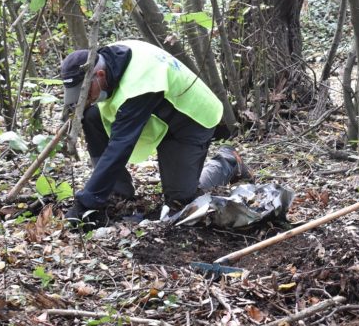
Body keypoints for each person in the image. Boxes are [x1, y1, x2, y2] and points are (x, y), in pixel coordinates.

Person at [60, 39, 252, 228]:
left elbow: (120, 146)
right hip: (156, 113)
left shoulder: (139, 84)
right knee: (91, 115)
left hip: (189, 118)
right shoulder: (107, 57)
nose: (84, 98)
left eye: (86, 92)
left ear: (100, 75)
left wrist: (86, 202)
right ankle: (116, 192)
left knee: (180, 203)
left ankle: (228, 162)